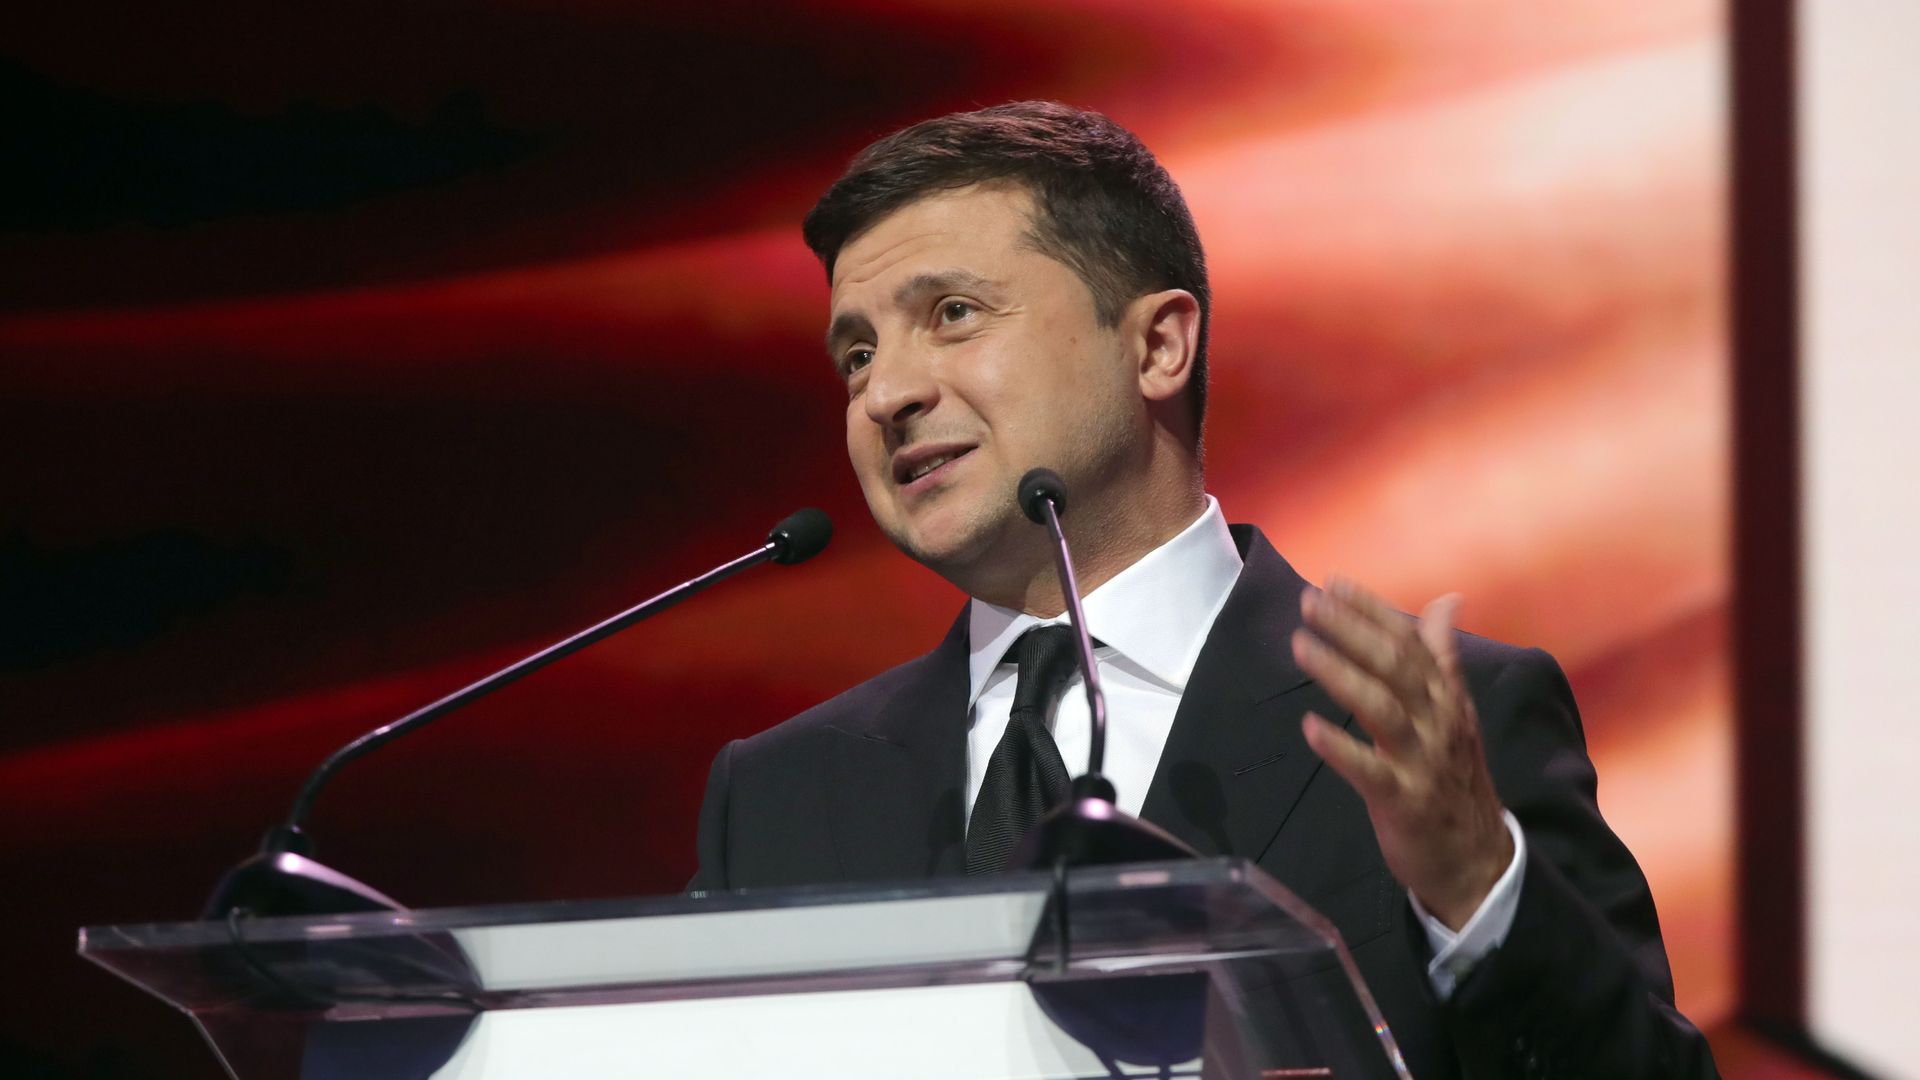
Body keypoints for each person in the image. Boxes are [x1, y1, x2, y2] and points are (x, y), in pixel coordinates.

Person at [691, 101, 1719, 1078]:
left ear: (1158, 345)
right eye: (857, 353)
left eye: (952, 314)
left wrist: (1479, 892)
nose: (886, 394)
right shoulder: (783, 798)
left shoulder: (1437, 730)